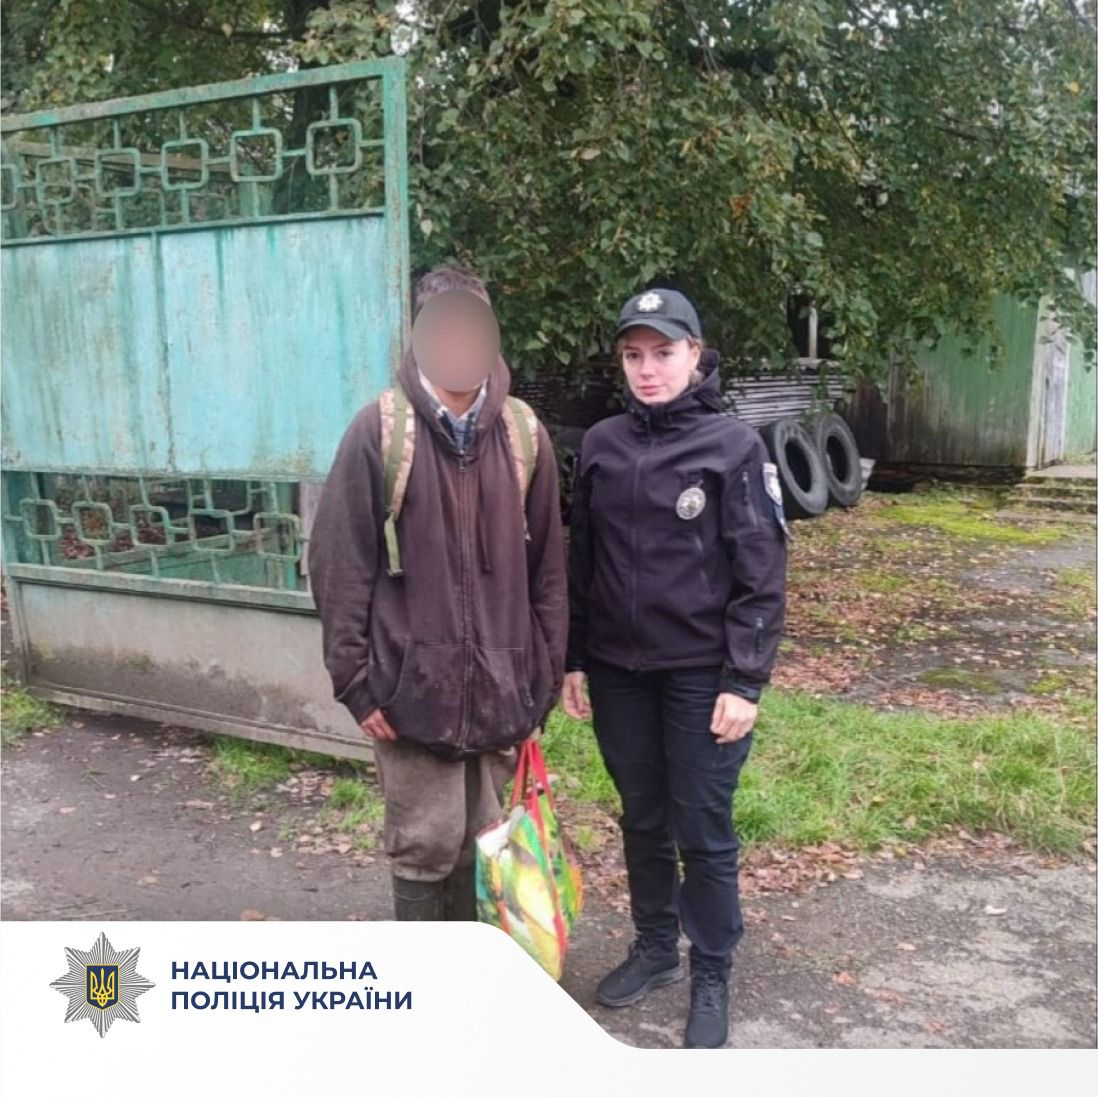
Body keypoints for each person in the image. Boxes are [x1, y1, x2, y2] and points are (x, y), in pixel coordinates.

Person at [561, 288, 787, 1048]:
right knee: (643, 815)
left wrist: (744, 680)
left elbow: (761, 571)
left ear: (696, 354)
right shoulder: (602, 444)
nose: (647, 368)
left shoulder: (734, 448)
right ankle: (656, 946)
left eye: (663, 352)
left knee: (701, 824)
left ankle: (712, 969)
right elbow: (583, 560)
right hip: (619, 672)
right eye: (633, 355)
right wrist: (575, 657)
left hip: (700, 675)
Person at [309, 265, 567, 921]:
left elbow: (549, 570)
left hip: (504, 688)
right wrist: (355, 681)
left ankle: (470, 972)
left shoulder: (523, 434)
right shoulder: (379, 431)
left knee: (487, 844)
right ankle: (424, 975)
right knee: (424, 846)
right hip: (410, 690)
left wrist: (542, 677)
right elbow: (339, 562)